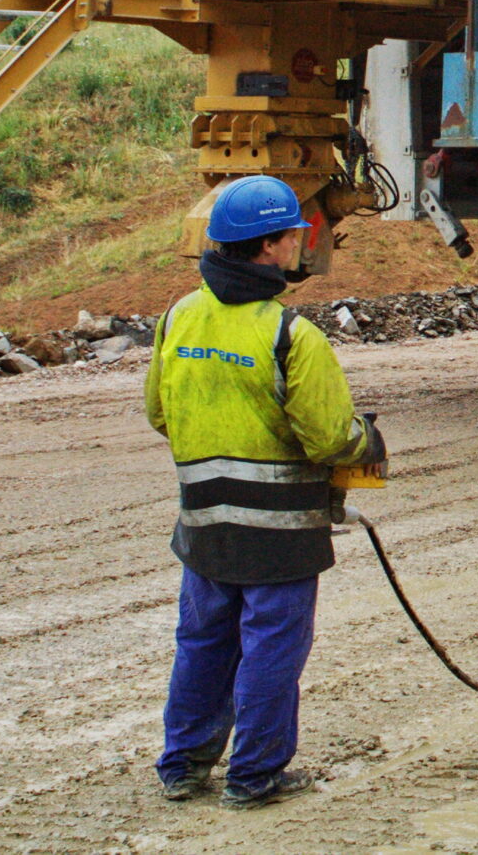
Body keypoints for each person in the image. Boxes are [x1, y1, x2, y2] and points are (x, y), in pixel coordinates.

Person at [145, 174, 383, 808]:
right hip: (278, 536)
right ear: (274, 246)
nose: (301, 244)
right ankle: (254, 776)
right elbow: (330, 439)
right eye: (294, 236)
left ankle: (183, 765)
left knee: (201, 644)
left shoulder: (177, 318)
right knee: (270, 652)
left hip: (203, 528)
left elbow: (158, 413)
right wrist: (367, 444)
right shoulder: (290, 336)